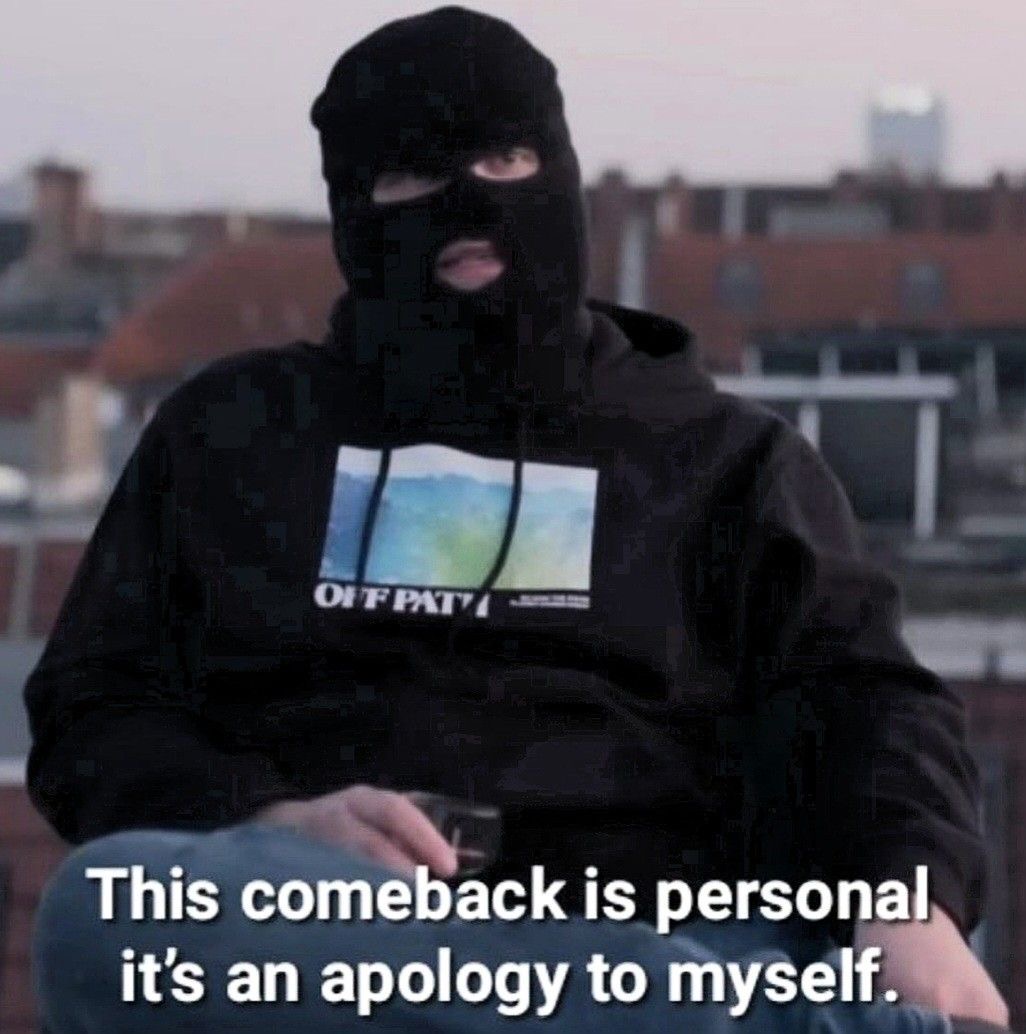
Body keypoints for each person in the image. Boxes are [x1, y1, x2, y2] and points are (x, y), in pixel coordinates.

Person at [25, 6, 1008, 1032]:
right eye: (413, 176)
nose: (469, 204)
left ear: (560, 172)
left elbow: (872, 704)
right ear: (351, 207)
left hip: (662, 928)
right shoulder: (228, 433)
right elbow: (96, 707)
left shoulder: (729, 462)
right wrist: (268, 819)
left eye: (504, 160)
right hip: (334, 936)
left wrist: (910, 900)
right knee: (105, 910)